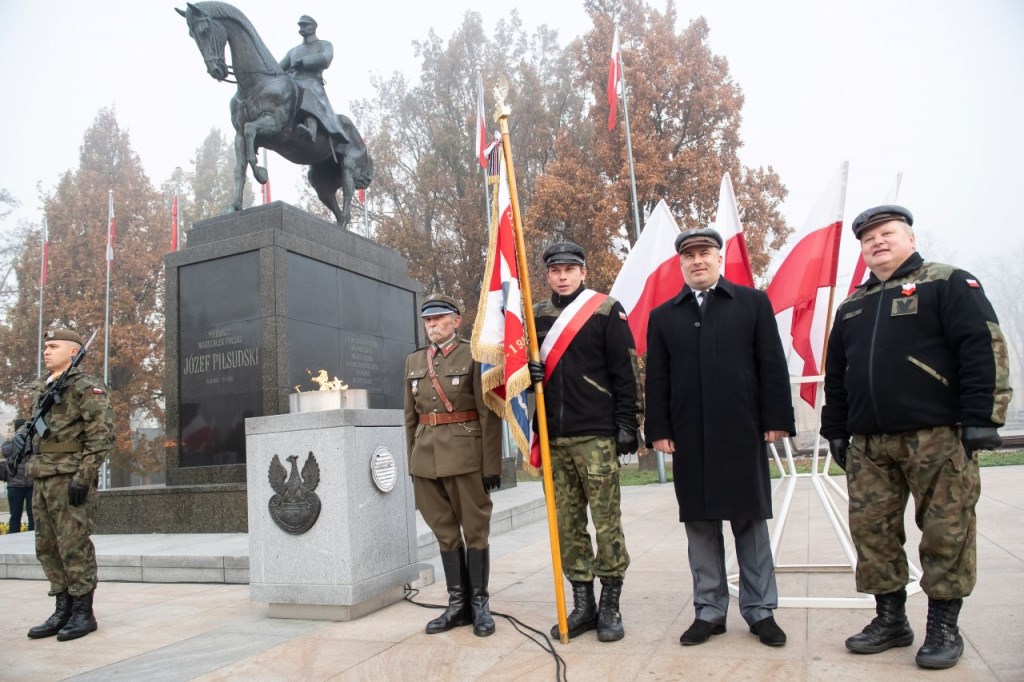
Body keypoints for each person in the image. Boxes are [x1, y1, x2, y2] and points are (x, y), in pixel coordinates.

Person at [820, 205, 1011, 670]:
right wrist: (837, 430)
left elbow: (981, 346)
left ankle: (943, 625)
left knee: (947, 532)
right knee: (873, 534)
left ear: (909, 237)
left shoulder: (946, 283)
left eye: (887, 233)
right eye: (868, 239)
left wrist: (983, 416)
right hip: (870, 443)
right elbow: (837, 375)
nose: (878, 242)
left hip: (938, 436)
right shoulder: (853, 306)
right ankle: (890, 620)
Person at [645, 227, 794, 648]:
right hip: (688, 437)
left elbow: (771, 365)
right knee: (700, 523)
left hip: (741, 431)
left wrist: (776, 418)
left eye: (705, 253)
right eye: (689, 255)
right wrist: (657, 429)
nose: (697, 261)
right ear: (681, 263)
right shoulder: (664, 316)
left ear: (719, 258)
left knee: (750, 522)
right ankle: (708, 610)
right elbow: (657, 379)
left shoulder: (752, 303)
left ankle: (760, 610)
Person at [529, 241, 642, 643]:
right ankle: (583, 604)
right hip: (555, 435)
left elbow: (625, 370)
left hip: (596, 433)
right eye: (555, 269)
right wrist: (528, 375)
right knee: (568, 524)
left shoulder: (606, 310)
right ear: (547, 275)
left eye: (569, 268)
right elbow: (528, 374)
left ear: (583, 271)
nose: (562, 275)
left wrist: (629, 422)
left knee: (607, 521)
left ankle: (610, 603)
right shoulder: (536, 315)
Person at [404, 294, 503, 637]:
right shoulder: (414, 361)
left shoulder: (473, 355)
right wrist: (411, 463)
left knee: (475, 530)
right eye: (427, 321)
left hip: (465, 457)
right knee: (444, 533)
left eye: (438, 319)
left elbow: (489, 413)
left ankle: (479, 605)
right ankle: (457, 604)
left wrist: (491, 465)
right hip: (426, 461)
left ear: (456, 321)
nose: (432, 325)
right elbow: (409, 419)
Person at [23, 328, 115, 641]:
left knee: (74, 545)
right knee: (47, 546)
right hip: (42, 476)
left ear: (73, 352)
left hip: (69, 477)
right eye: (45, 346)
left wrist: (84, 476)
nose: (46, 351)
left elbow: (101, 435)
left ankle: (82, 613)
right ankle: (62, 609)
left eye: (53, 346)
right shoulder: (43, 389)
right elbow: (37, 433)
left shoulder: (85, 385)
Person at [279, 15, 348, 145]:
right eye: (300, 26)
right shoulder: (293, 51)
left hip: (312, 81)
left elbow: (325, 59)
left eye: (305, 25)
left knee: (306, 88)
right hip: (293, 83)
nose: (302, 28)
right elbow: (278, 68)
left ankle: (311, 130)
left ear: (313, 28)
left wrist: (304, 62)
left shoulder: (325, 45)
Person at [1, 418, 34, 533]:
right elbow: (6, 452)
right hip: (15, 486)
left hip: (30, 485)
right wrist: (16, 439)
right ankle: (13, 539)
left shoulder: (32, 440)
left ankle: (31, 538)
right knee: (15, 516)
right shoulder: (9, 443)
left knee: (32, 516)